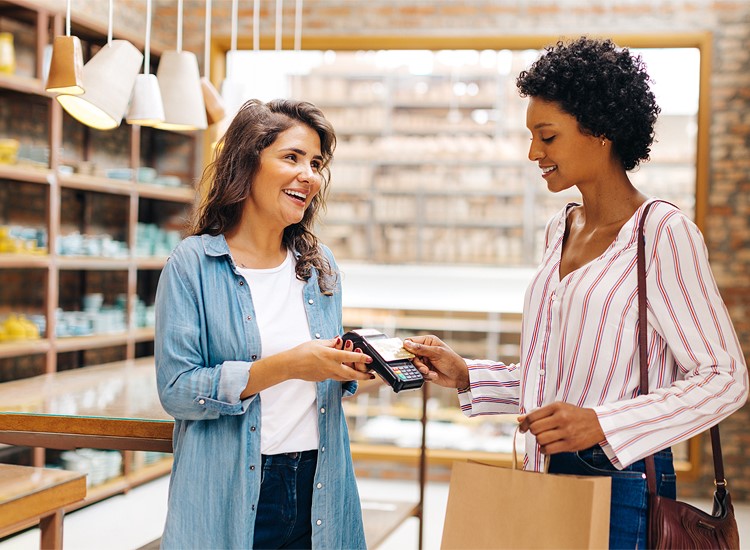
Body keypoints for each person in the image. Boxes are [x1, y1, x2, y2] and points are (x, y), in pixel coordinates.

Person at [403, 36, 748, 549]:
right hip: (542, 468)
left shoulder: (661, 234)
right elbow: (559, 375)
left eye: (548, 136)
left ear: (601, 132)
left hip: (621, 483)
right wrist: (467, 375)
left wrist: (602, 424)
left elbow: (725, 379)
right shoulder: (559, 230)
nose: (532, 152)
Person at [154, 98, 373, 549]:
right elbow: (177, 390)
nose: (308, 175)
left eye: (315, 163)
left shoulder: (318, 265)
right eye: (291, 157)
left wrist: (359, 367)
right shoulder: (192, 265)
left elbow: (321, 378)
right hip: (236, 484)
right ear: (246, 165)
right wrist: (290, 364)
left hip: (320, 479)